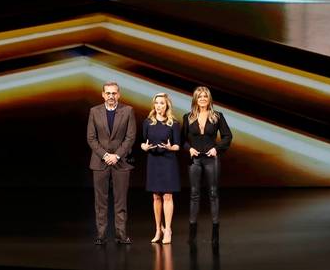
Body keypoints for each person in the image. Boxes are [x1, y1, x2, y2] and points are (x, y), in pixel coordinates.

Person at [87, 81, 137, 245]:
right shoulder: (94, 111)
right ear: (103, 95)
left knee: (120, 200)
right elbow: (91, 138)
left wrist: (116, 155)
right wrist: (105, 155)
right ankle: (101, 234)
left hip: (121, 162)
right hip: (99, 162)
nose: (111, 96)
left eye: (114, 93)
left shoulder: (128, 110)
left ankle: (121, 235)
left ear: (119, 94)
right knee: (100, 201)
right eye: (108, 93)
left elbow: (130, 137)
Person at [182, 86, 232, 245]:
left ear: (209, 99)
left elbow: (227, 136)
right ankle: (192, 232)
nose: (202, 99)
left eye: (205, 96)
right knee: (194, 194)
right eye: (199, 96)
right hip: (195, 160)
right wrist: (189, 149)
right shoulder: (187, 117)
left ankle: (215, 231)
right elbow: (181, 140)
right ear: (195, 99)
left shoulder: (217, 116)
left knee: (213, 193)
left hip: (211, 159)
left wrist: (216, 149)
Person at [140, 92, 181, 245]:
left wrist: (171, 147)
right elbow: (143, 142)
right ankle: (158, 229)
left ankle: (168, 230)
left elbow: (177, 145)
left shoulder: (173, 123)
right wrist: (144, 146)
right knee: (156, 196)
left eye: (162, 103)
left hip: (168, 161)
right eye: (157, 103)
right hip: (153, 161)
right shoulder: (147, 122)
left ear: (167, 105)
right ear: (154, 105)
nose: (159, 106)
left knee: (167, 196)